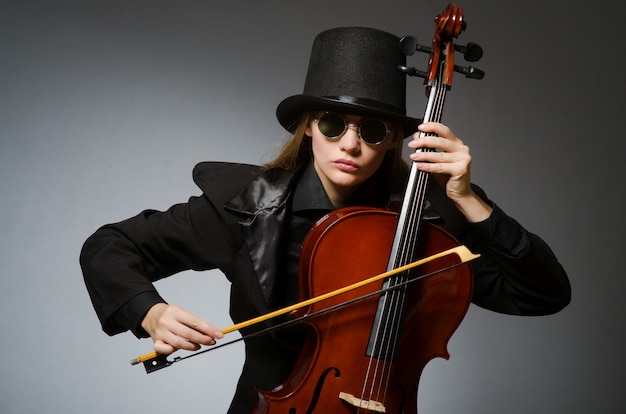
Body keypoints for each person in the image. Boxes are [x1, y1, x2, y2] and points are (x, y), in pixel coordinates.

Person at [80, 27, 570, 412]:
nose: (351, 145)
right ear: (310, 124)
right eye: (334, 125)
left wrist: (470, 201)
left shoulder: (431, 222)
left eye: (373, 130)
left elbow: (542, 293)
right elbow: (110, 245)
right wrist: (149, 311)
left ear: (396, 139)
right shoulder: (249, 207)